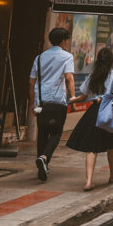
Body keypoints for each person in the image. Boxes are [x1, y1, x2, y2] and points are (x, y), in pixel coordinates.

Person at [66, 47, 113, 191]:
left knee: (92, 147)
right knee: (112, 146)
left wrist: (73, 100)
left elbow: (83, 97)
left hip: (95, 112)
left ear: (98, 60)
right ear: (112, 61)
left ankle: (88, 181)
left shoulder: (93, 77)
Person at [29, 27, 75, 181]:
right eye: (67, 40)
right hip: (57, 101)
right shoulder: (67, 57)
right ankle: (44, 157)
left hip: (40, 102)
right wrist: (73, 96)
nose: (67, 43)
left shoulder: (39, 57)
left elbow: (31, 82)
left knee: (42, 132)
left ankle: (42, 167)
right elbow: (68, 78)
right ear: (63, 41)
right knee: (56, 132)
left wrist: (32, 103)